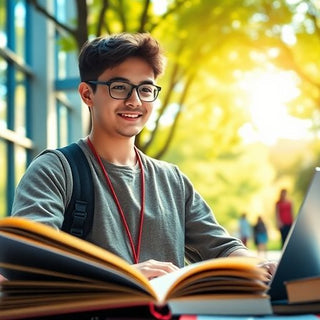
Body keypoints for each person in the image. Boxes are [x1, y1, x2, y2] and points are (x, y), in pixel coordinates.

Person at [10, 32, 276, 279]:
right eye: (119, 87)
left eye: (145, 89)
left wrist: (259, 265)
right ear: (87, 94)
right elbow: (28, 257)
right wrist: (126, 273)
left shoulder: (172, 180)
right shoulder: (55, 170)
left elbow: (221, 247)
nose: (135, 100)